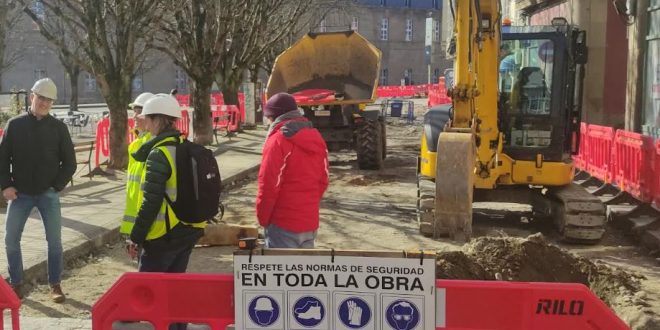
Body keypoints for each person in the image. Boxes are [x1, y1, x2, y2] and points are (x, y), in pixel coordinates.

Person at [0, 78, 76, 302]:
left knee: (54, 242)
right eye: (40, 97)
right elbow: (2, 159)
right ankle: (16, 283)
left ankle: (55, 284)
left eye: (48, 100)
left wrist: (56, 186)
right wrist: (6, 185)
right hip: (20, 194)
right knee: (11, 239)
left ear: (52, 103)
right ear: (32, 96)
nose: (44, 103)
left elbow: (69, 163)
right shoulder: (14, 125)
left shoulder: (59, 128)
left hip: (48, 194)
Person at [256, 93, 329, 248]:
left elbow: (268, 184)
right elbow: (323, 179)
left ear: (274, 116)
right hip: (309, 222)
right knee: (304, 271)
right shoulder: (317, 137)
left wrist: (263, 219)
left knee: (280, 271)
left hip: (283, 222)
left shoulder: (278, 141)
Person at [121, 92, 154, 245]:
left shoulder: (151, 146)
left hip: (150, 225)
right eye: (134, 111)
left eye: (139, 112)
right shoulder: (137, 145)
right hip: (140, 224)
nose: (134, 116)